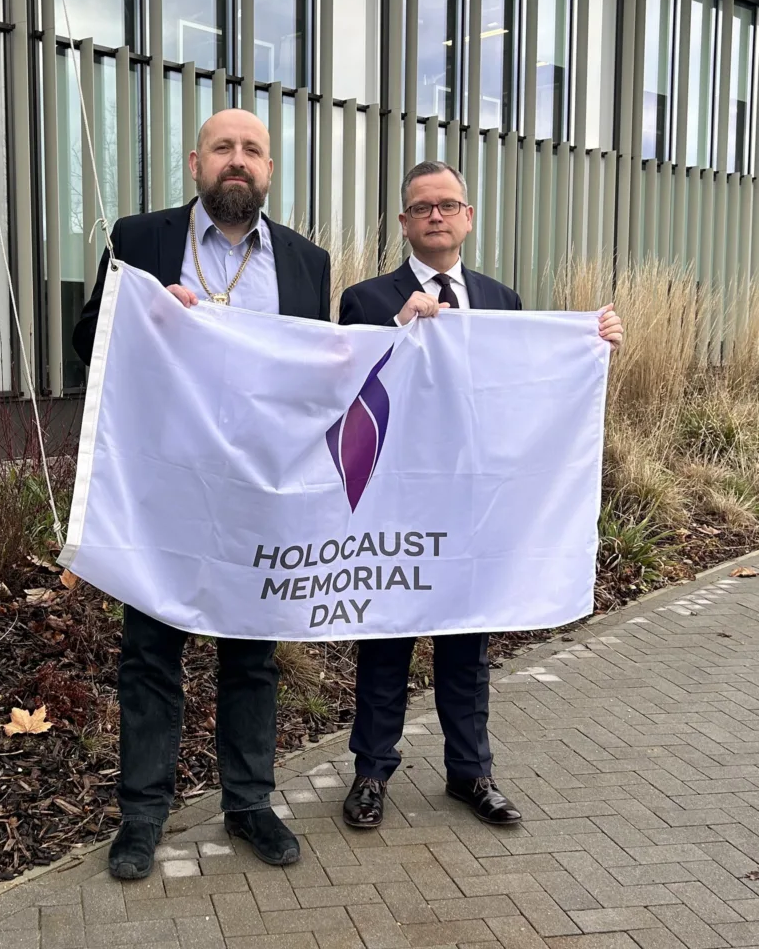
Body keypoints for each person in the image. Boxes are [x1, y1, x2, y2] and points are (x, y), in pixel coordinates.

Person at [74, 108, 331, 880]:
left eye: (253, 150)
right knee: (151, 654)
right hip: (165, 489)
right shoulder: (141, 238)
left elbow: (322, 373)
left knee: (252, 656)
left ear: (270, 170)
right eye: (224, 148)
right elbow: (87, 340)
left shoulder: (307, 262)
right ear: (196, 162)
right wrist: (149, 314)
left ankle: (249, 802)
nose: (238, 161)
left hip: (260, 492)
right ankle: (143, 817)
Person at [337, 159, 623, 829]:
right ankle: (371, 772)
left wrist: (594, 346)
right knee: (387, 641)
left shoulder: (503, 301)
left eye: (448, 204)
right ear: (404, 223)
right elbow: (349, 396)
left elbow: (526, 395)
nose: (436, 216)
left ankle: (471, 772)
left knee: (468, 645)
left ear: (468, 217)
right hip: (397, 505)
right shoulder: (367, 299)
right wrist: (395, 331)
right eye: (422, 207)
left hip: (473, 507)